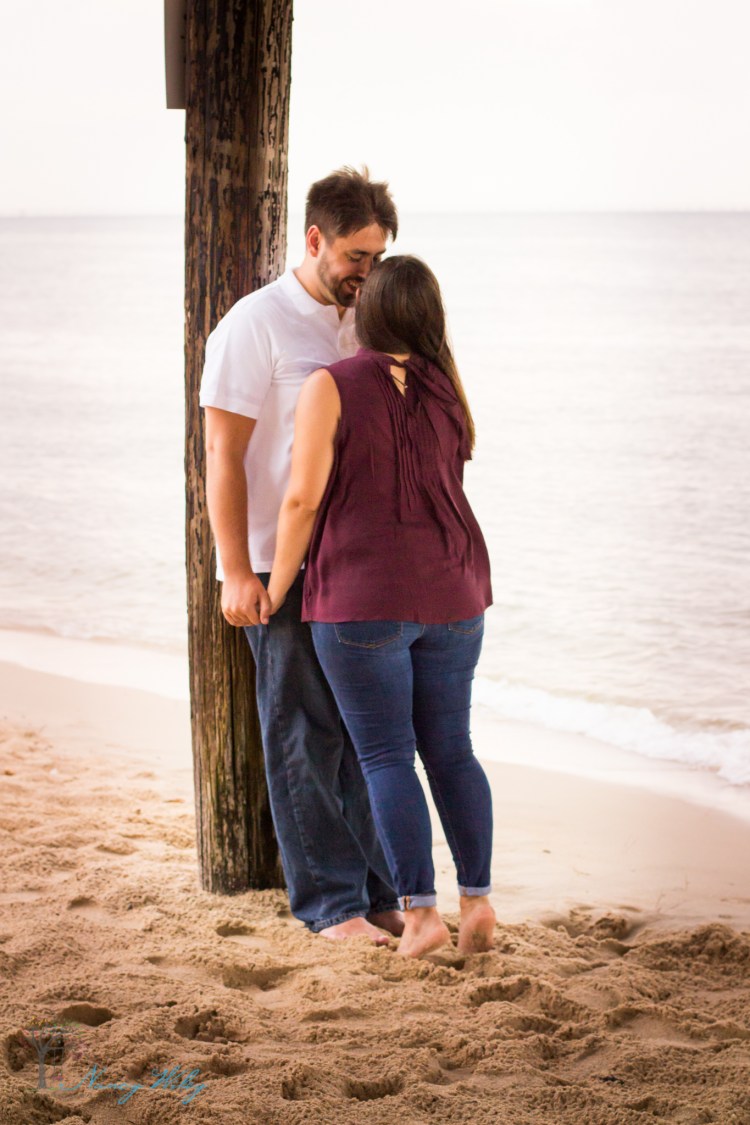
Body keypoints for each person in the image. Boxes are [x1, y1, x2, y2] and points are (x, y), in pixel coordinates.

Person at [264, 255, 496, 958]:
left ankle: (421, 919)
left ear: (370, 310)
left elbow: (302, 498)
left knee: (386, 754)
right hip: (457, 594)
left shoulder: (330, 384)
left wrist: (275, 588)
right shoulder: (447, 386)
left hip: (364, 600)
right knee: (452, 752)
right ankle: (478, 904)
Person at [199, 167, 403, 943]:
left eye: (378, 256)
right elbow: (222, 452)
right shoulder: (255, 325)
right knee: (301, 733)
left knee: (365, 733)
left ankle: (380, 893)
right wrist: (235, 568)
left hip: (357, 564)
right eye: (356, 255)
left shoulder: (366, 320)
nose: (366, 271)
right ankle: (330, 904)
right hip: (275, 562)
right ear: (314, 239)